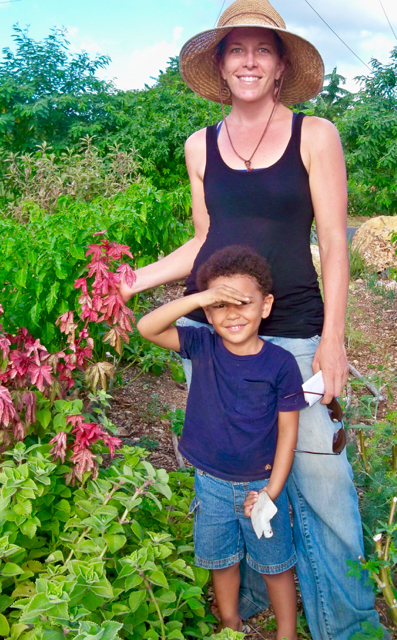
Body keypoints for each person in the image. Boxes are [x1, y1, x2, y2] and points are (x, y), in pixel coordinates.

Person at [120, 1, 387, 638]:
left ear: (279, 65)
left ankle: (346, 626)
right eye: (236, 49)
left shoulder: (314, 135)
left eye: (261, 49)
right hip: (223, 336)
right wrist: (129, 284)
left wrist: (332, 339)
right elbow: (204, 242)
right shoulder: (199, 146)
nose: (248, 60)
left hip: (295, 333)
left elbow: (335, 240)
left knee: (324, 488)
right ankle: (265, 602)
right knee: (239, 466)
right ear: (220, 63)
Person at [137, 246, 307, 640]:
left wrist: (271, 492)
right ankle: (230, 622)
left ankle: (287, 632)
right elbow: (147, 327)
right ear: (208, 313)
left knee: (275, 564)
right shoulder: (202, 347)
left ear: (266, 306)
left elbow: (288, 434)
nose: (231, 315)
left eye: (242, 303)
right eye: (219, 306)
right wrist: (199, 298)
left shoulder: (280, 364)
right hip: (210, 483)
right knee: (221, 560)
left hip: (259, 488)